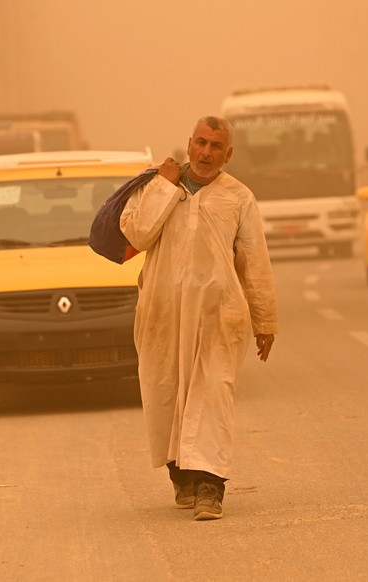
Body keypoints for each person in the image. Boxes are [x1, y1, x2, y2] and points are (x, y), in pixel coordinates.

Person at [119, 116, 279, 521]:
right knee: (166, 395)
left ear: (229, 154)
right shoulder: (157, 186)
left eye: (216, 146)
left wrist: (265, 321)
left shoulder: (239, 197)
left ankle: (211, 488)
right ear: (189, 145)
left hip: (219, 317)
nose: (207, 153)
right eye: (201, 143)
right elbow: (137, 234)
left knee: (212, 396)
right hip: (161, 315)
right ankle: (183, 479)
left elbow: (255, 261)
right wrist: (164, 186)